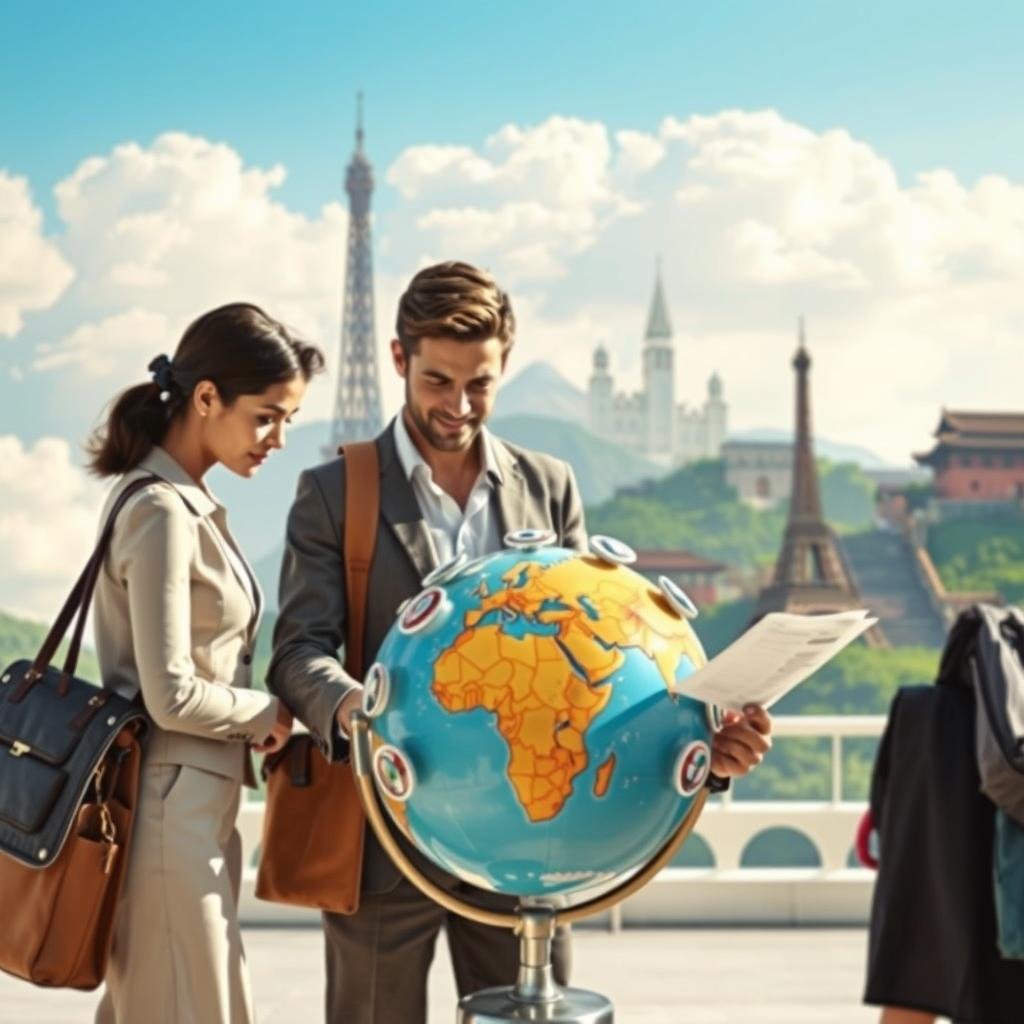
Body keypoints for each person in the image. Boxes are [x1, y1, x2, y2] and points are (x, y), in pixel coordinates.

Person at [268, 260, 773, 1024]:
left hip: (531, 828)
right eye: (438, 381)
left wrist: (704, 742)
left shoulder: (549, 483)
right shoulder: (337, 492)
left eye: (481, 384)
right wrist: (356, 714)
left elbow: (592, 648)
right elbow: (299, 650)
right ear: (400, 360)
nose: (460, 406)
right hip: (385, 835)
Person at [88, 303, 324, 1024]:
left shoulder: (185, 504)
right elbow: (170, 694)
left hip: (190, 806)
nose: (279, 438)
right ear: (206, 397)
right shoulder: (160, 510)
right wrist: (268, 715)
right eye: (266, 417)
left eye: (288, 420)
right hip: (169, 813)